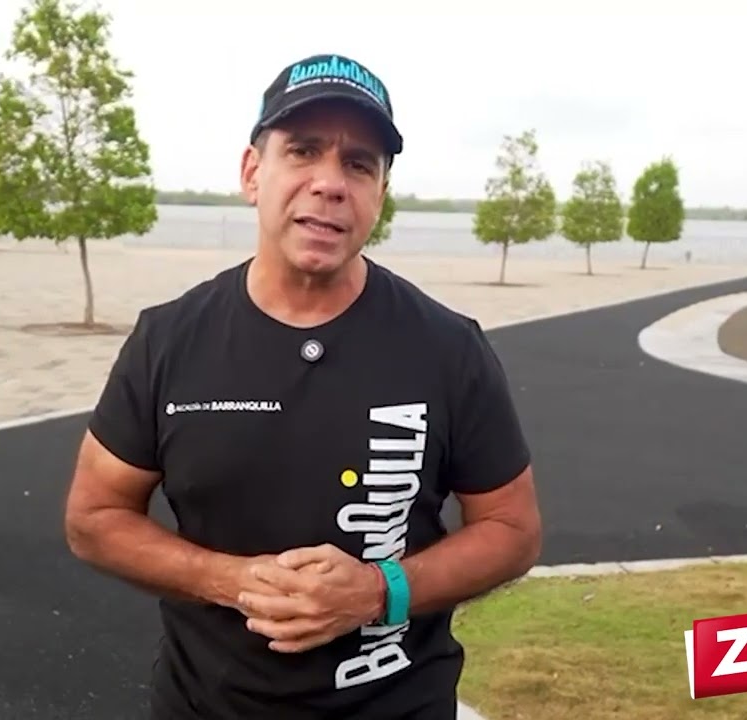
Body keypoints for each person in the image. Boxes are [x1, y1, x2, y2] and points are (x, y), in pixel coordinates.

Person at [64, 53, 542, 720]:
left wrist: (378, 592)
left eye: (359, 164)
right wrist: (231, 580)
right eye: (303, 150)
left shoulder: (448, 346)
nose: (330, 183)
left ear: (379, 195)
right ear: (251, 172)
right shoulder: (167, 340)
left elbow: (512, 529)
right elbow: (94, 518)